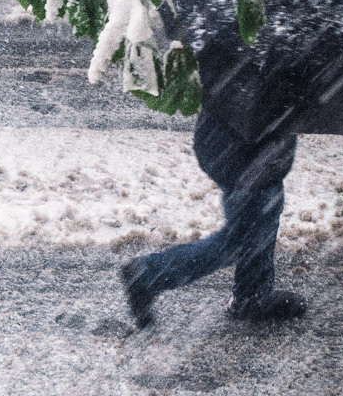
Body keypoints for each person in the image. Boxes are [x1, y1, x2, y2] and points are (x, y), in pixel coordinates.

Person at [120, 108, 306, 328]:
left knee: (258, 221)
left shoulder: (245, 82)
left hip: (229, 140)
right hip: (251, 149)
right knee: (243, 239)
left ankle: (253, 294)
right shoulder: (267, 79)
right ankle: (149, 274)